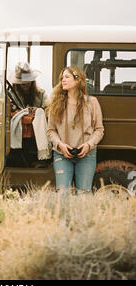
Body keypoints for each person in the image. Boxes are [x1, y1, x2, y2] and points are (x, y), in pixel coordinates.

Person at [47, 66, 104, 195]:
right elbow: (50, 130)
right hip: (61, 154)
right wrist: (60, 145)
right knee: (63, 194)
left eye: (67, 77)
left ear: (78, 80)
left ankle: (81, 216)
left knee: (84, 194)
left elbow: (99, 130)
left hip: (86, 155)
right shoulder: (56, 103)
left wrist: (89, 145)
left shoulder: (92, 102)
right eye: (62, 78)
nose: (63, 80)